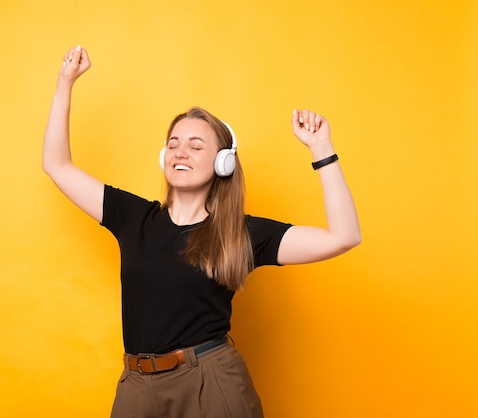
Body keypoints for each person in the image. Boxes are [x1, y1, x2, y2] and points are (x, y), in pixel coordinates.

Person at [42, 45, 361, 418]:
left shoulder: (239, 233)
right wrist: (65, 83)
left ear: (224, 163)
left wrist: (322, 149)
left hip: (210, 382)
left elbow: (344, 236)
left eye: (196, 146)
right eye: (173, 144)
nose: (181, 153)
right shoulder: (133, 217)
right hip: (136, 384)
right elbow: (57, 165)